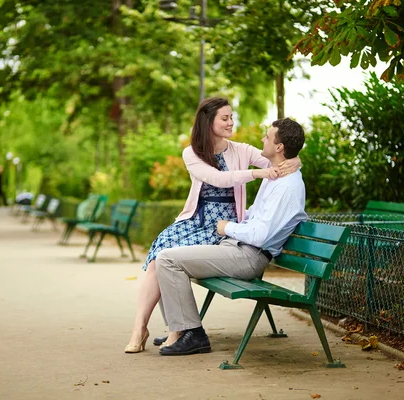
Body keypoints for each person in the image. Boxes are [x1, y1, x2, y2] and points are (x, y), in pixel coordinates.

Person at [124, 98, 301, 353]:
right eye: (225, 118)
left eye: (231, 117)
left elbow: (281, 161)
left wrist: (297, 162)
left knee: (168, 260)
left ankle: (179, 331)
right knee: (159, 253)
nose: (231, 122)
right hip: (200, 219)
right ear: (209, 121)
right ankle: (145, 328)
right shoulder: (192, 152)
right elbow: (217, 179)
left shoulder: (241, 150)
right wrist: (255, 174)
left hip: (226, 225)